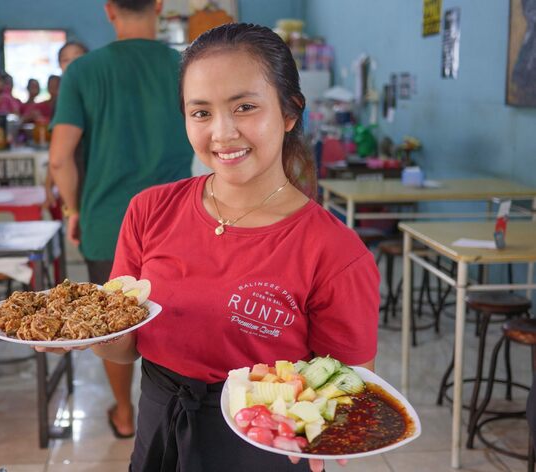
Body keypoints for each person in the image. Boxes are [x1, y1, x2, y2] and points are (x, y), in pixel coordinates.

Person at [44, 23, 378, 472]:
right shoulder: (149, 211)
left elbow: (349, 389)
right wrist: (84, 334)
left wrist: (326, 428)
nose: (222, 133)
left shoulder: (335, 252)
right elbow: (125, 348)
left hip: (262, 445)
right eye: (200, 113)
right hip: (160, 429)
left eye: (245, 107)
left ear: (290, 112)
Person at [49, 0, 193, 439]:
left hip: (106, 220)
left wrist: (74, 210)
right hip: (178, 220)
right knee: (172, 318)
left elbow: (59, 159)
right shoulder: (187, 66)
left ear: (109, 9)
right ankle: (173, 414)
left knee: (111, 324)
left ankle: (126, 416)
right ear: (159, 6)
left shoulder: (83, 72)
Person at [44, 42, 89, 209]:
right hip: (75, 176)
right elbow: (58, 152)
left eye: (77, 58)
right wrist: (48, 185)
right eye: (65, 60)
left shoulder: (99, 93)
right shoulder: (62, 100)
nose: (72, 64)